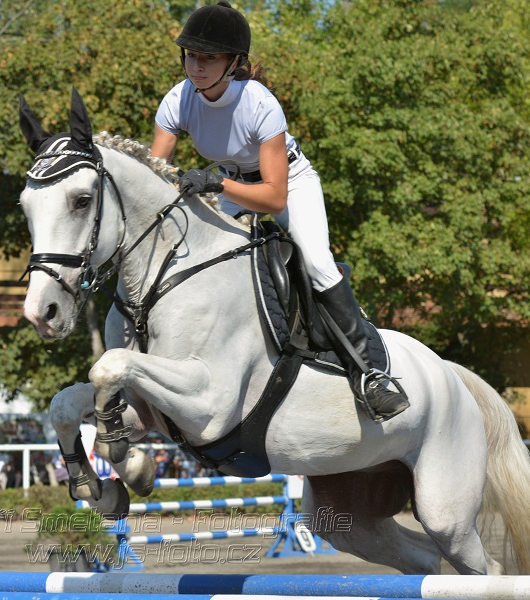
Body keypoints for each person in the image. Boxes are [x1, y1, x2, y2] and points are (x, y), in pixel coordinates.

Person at [150, 1, 409, 421]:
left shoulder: (259, 103)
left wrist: (215, 184)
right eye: (191, 55)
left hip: (288, 183)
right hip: (230, 184)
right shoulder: (177, 100)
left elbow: (274, 198)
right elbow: (157, 173)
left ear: (233, 62)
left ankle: (369, 373)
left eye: (208, 58)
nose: (196, 66)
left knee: (318, 263)